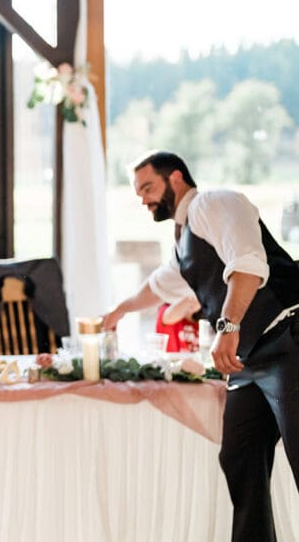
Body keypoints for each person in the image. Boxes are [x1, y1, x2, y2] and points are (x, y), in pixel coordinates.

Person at [101, 150, 299, 541]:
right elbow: (161, 284)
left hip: (288, 339)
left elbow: (248, 261)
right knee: (239, 459)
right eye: (138, 192)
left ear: (176, 178)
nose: (142, 198)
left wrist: (228, 325)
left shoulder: (213, 203)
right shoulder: (184, 240)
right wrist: (119, 311)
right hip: (250, 362)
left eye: (148, 187)